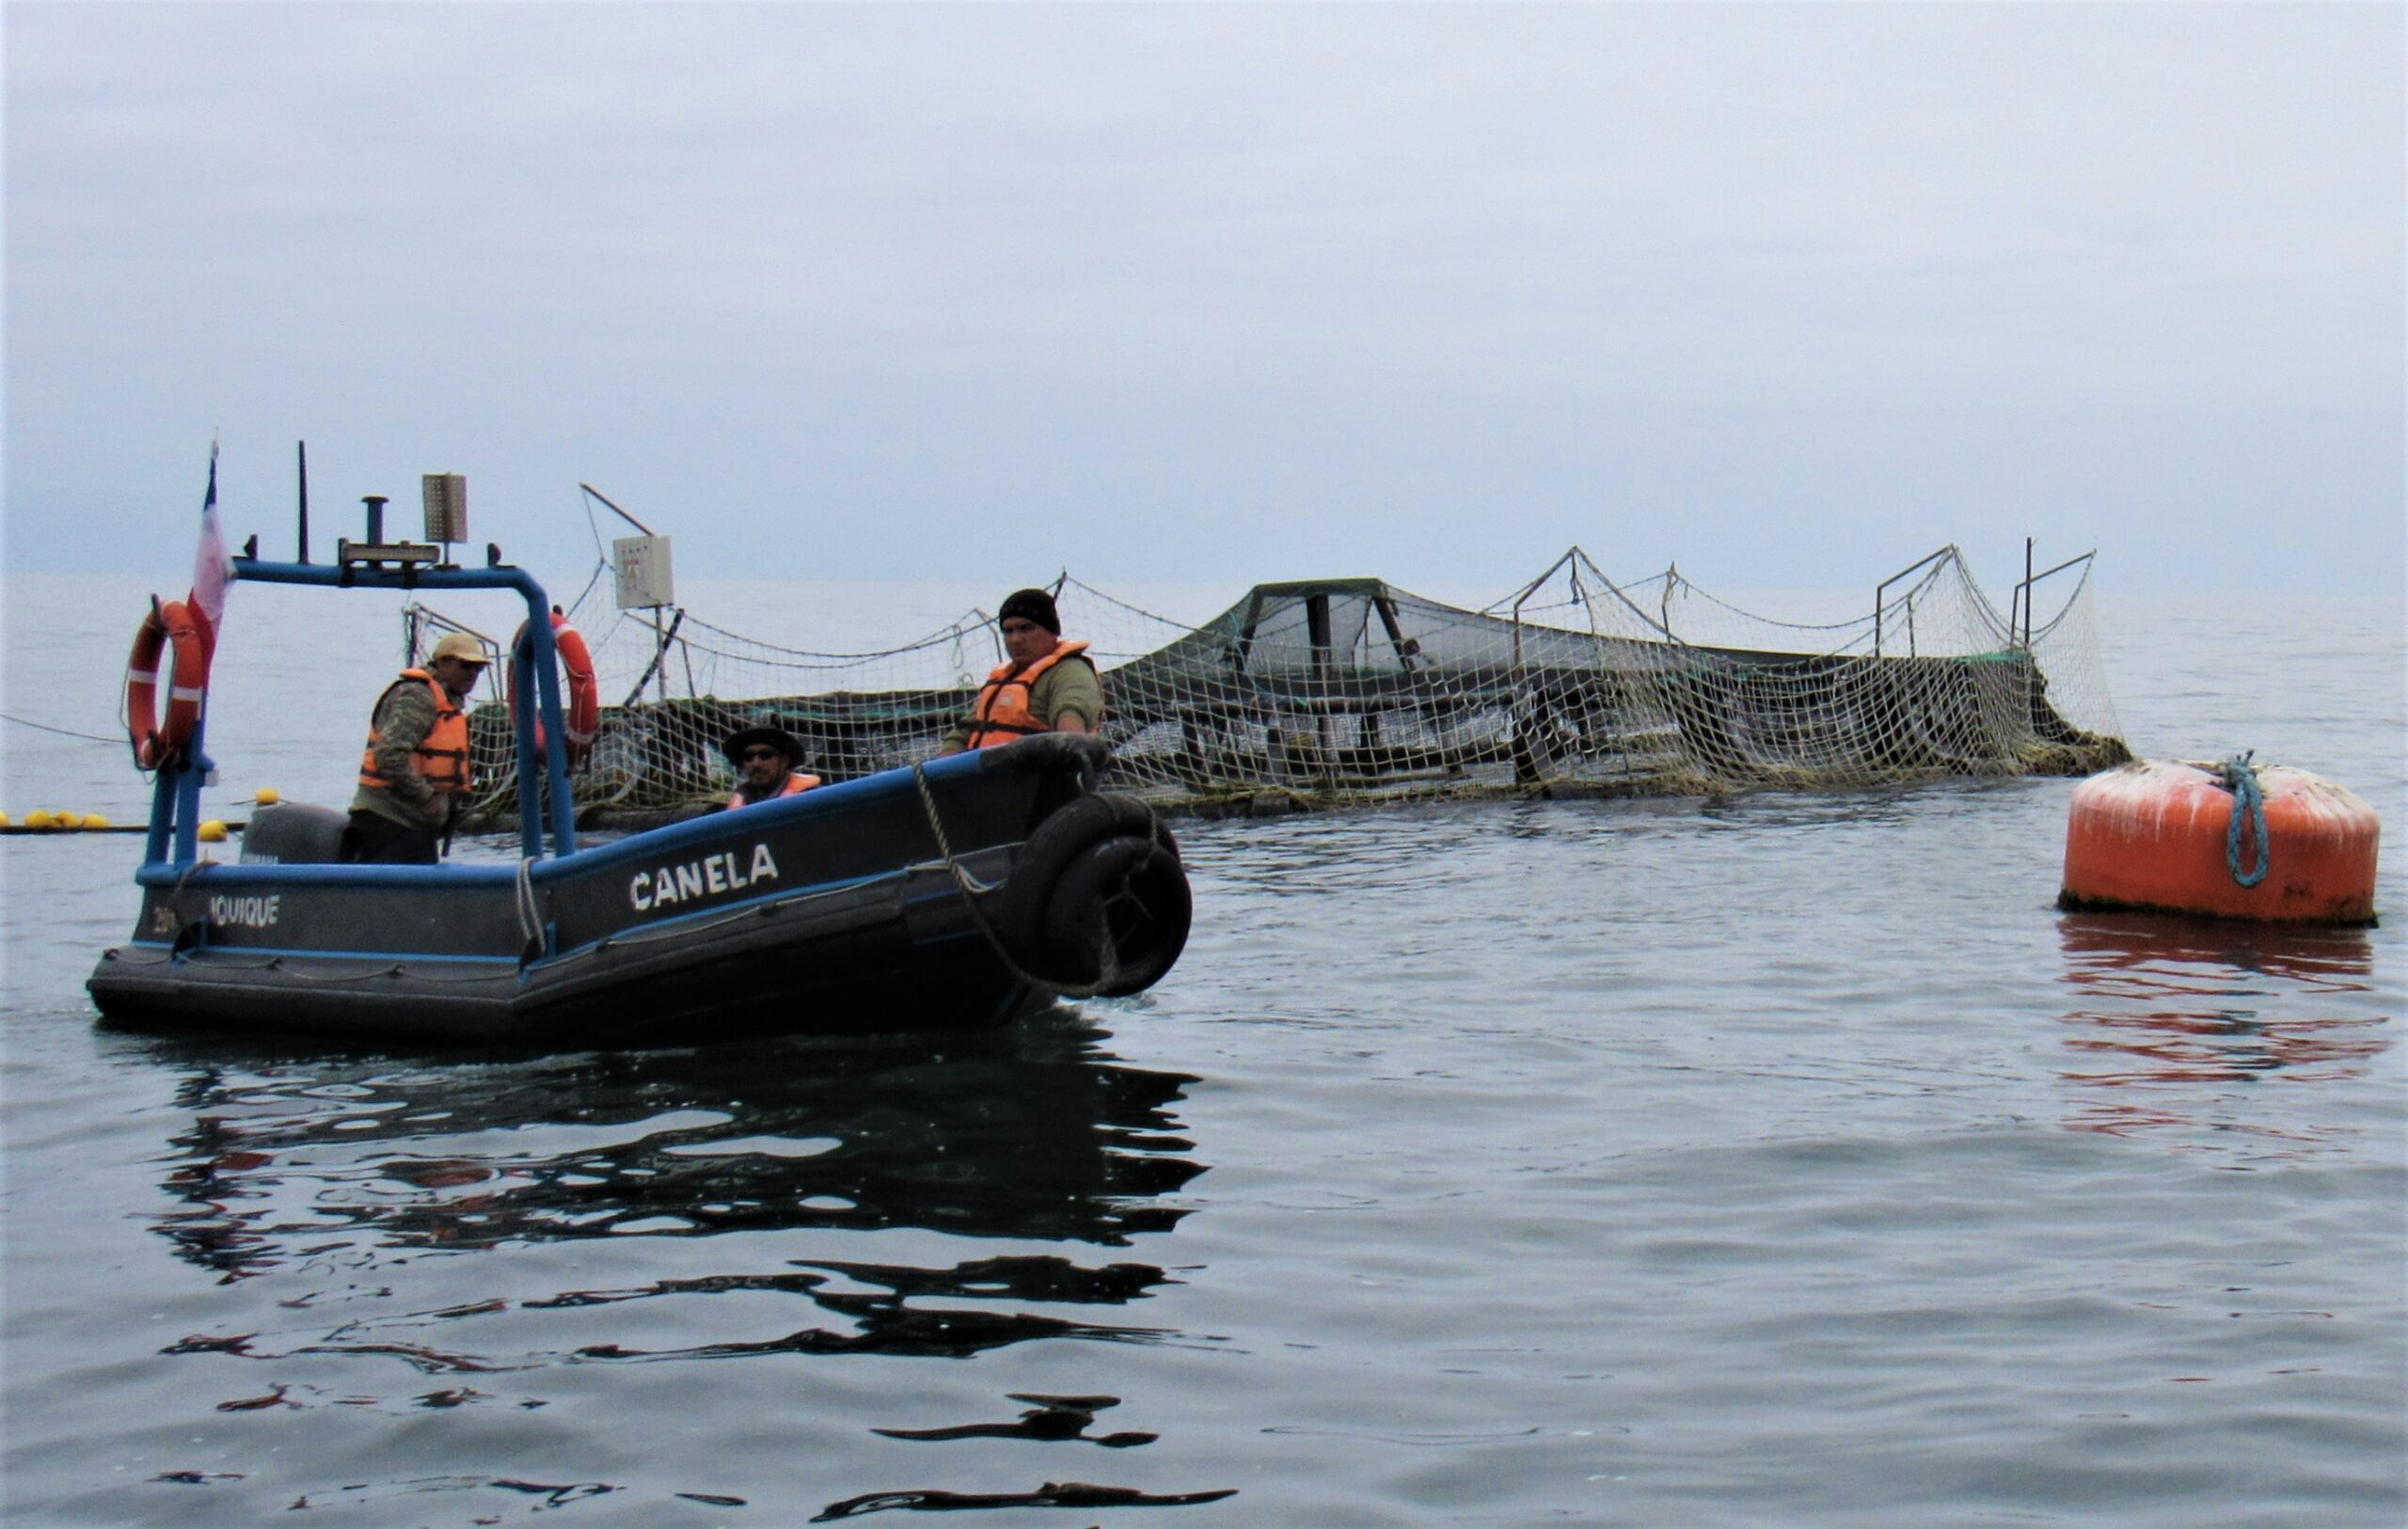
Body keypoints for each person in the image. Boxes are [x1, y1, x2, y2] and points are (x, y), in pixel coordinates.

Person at [344, 631, 489, 863]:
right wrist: (427, 796)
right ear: (443, 662)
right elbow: (390, 754)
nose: (473, 674)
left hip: (412, 828)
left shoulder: (446, 700)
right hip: (388, 823)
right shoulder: (418, 697)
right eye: (466, 666)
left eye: (478, 668)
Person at [939, 588, 1104, 754]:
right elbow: (961, 734)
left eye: (1026, 628)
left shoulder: (1070, 671)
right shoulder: (1000, 680)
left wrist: (1073, 759)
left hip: (1040, 775)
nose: (1015, 639)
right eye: (1008, 631)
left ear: (1051, 631)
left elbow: (1071, 719)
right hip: (984, 777)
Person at [722, 724, 820, 808]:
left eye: (765, 755)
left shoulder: (812, 796)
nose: (756, 763)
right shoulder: (740, 801)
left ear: (784, 761)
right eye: (748, 757)